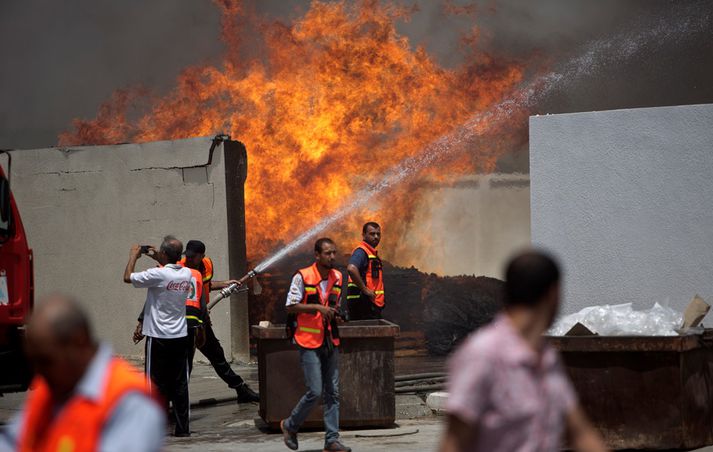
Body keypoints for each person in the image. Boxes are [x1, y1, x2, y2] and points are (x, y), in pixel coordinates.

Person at [439, 250, 608, 452]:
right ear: (553, 294)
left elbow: (580, 433)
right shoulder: (482, 354)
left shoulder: (548, 357)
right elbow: (453, 444)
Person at [0, 294, 165, 452]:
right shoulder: (48, 390)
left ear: (78, 342)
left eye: (46, 360)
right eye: (34, 362)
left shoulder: (129, 403)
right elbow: (13, 441)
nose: (38, 374)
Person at [132, 239, 259, 403]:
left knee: (216, 355)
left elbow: (203, 285)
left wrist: (224, 284)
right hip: (183, 322)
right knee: (184, 365)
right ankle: (174, 402)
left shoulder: (206, 265)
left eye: (194, 257)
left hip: (200, 321)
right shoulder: (180, 268)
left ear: (202, 256)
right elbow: (155, 296)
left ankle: (240, 389)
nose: (190, 259)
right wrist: (142, 321)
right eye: (188, 256)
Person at [280, 238, 351, 452]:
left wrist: (336, 316)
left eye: (334, 253)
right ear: (317, 255)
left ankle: (332, 440)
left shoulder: (338, 276)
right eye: (328, 253)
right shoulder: (302, 276)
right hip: (308, 340)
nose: (332, 257)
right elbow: (290, 307)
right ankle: (290, 425)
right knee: (315, 390)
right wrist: (319, 309)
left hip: (330, 339)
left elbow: (333, 305)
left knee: (333, 392)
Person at [124, 236, 193, 437]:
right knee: (180, 384)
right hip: (180, 335)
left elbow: (128, 277)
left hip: (158, 337)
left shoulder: (157, 274)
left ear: (164, 254)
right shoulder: (187, 274)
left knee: (154, 384)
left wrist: (134, 256)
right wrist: (161, 256)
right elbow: (171, 267)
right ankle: (182, 429)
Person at [346, 222, 385, 320]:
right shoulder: (361, 252)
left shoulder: (371, 254)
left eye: (378, 234)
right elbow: (351, 268)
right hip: (363, 303)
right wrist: (365, 289)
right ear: (363, 235)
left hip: (371, 303)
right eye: (372, 234)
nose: (376, 237)